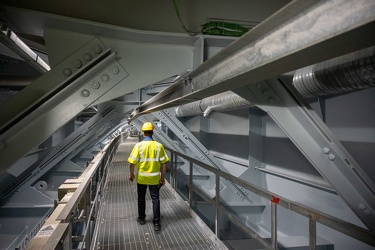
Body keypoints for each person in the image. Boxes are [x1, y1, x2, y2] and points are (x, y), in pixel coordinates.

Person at [128, 122, 169, 231]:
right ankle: (156, 223)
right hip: (155, 179)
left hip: (141, 178)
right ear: (152, 132)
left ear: (143, 132)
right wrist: (162, 178)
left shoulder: (139, 146)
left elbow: (132, 163)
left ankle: (141, 218)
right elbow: (164, 163)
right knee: (155, 199)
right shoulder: (159, 146)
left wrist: (131, 174)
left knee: (141, 198)